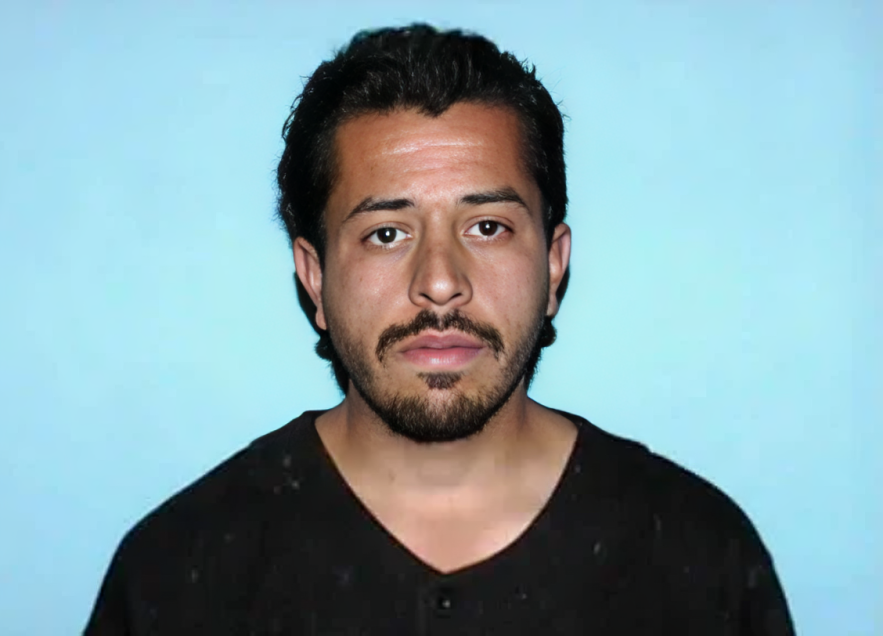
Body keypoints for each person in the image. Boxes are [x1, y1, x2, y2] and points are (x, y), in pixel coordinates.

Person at [85, 24, 795, 635]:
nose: (440, 281)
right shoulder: (180, 571)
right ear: (315, 278)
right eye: (386, 233)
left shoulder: (698, 558)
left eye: (486, 227)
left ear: (553, 266)